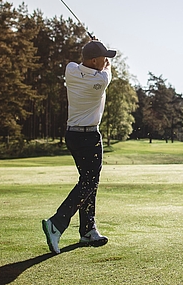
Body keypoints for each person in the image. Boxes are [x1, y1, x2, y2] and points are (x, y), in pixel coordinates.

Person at [42, 39, 116, 254]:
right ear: (94, 60)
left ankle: (87, 230)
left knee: (88, 182)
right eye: (103, 58)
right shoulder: (102, 79)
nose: (106, 61)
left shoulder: (70, 70)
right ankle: (57, 223)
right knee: (89, 182)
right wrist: (99, 55)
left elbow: (79, 63)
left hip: (72, 135)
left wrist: (93, 48)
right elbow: (108, 70)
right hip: (90, 137)